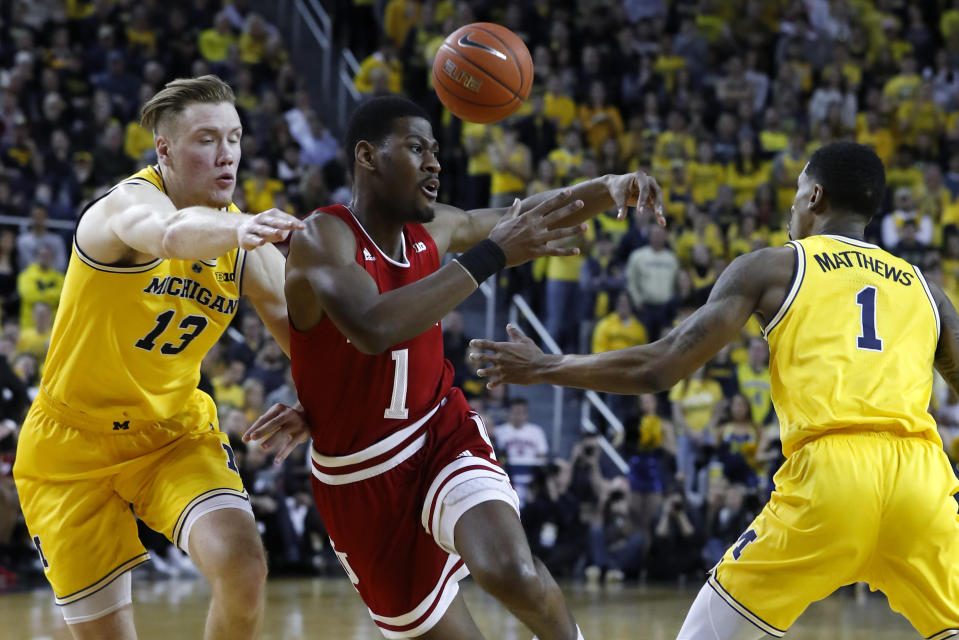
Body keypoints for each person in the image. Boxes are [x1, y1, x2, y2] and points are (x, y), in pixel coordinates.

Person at [470, 142, 959, 639]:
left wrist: (545, 365)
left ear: (815, 196)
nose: (791, 205)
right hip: (920, 483)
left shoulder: (774, 268)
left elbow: (658, 368)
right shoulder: (928, 290)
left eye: (795, 193)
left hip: (831, 479)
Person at [244, 95, 664, 640]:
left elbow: (523, 216)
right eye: (417, 148)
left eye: (437, 151)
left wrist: (605, 187)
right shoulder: (323, 236)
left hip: (439, 433)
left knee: (510, 569)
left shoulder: (438, 228)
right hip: (359, 481)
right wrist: (489, 256)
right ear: (368, 156)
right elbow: (372, 327)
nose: (435, 163)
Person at [13, 75, 307, 640]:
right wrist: (240, 227)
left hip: (171, 436)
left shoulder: (247, 249)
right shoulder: (125, 207)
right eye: (206, 140)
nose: (227, 156)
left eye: (235, 138)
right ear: (164, 151)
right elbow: (170, 232)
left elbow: (308, 347)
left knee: (243, 568)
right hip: (69, 448)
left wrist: (315, 403)